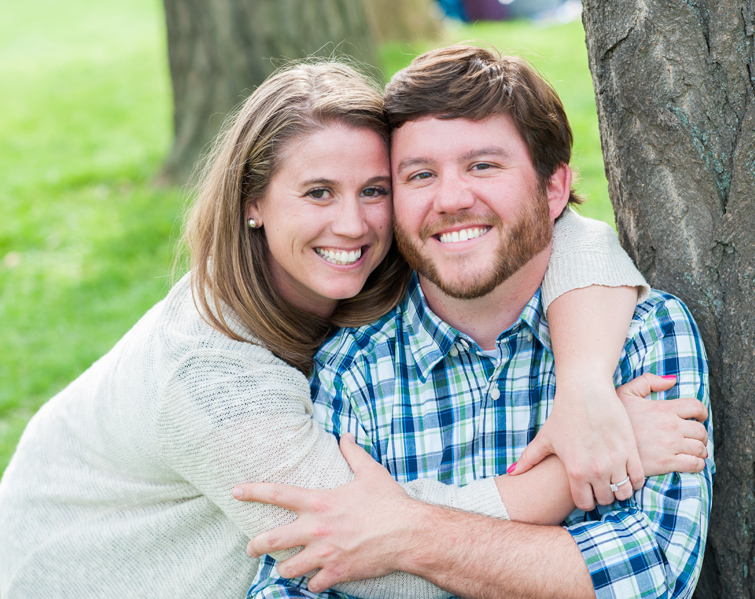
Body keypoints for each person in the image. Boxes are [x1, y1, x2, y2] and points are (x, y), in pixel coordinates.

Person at [0, 61, 706, 598]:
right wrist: (593, 462)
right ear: (253, 204)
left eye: (374, 189)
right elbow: (368, 565)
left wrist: (585, 388)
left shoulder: (385, 258)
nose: (354, 223)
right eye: (316, 193)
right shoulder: (210, 381)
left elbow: (563, 234)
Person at [238, 45, 714, 599]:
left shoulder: (644, 335)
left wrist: (399, 533)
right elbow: (294, 583)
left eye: (482, 165)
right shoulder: (352, 362)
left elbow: (650, 573)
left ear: (554, 188)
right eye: (418, 175)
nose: (451, 199)